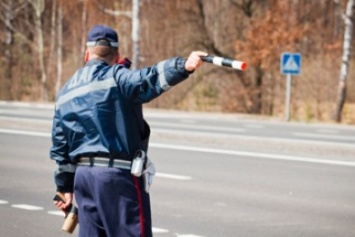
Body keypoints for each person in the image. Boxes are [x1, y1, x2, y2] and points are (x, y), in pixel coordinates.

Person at [50, 24, 206, 237]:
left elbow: (61, 147)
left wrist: (64, 187)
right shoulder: (118, 76)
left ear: (87, 54)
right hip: (116, 179)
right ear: (117, 56)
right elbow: (147, 79)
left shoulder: (65, 92)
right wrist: (183, 66)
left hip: (84, 180)